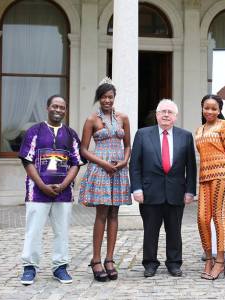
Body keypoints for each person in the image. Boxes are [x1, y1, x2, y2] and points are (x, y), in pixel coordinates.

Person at [18, 95, 83, 285]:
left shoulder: (70, 134)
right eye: (55, 106)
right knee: (34, 230)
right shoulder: (34, 131)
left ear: (65, 110)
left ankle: (60, 267)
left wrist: (63, 185)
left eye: (62, 107)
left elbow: (76, 163)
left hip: (63, 193)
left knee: (61, 231)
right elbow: (27, 160)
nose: (58, 110)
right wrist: (41, 185)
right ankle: (29, 268)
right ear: (47, 108)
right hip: (37, 191)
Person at [129, 99, 197, 278]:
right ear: (157, 115)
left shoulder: (185, 136)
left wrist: (190, 190)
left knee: (174, 231)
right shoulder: (142, 135)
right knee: (150, 231)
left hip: (176, 193)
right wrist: (136, 189)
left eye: (170, 112)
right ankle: (150, 264)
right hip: (150, 192)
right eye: (162, 111)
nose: (166, 115)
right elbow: (135, 165)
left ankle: (174, 263)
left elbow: (191, 166)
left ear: (175, 117)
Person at [78, 80, 132, 281]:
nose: (107, 100)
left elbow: (128, 145)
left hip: (118, 169)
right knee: (101, 213)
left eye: (110, 97)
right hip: (101, 169)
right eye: (103, 97)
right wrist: (103, 163)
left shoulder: (123, 118)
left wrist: (124, 161)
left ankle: (110, 259)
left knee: (114, 213)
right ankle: (97, 259)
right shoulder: (92, 120)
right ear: (99, 98)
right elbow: (83, 149)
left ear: (114, 98)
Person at [195, 94, 225, 280]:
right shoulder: (199, 130)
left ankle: (220, 261)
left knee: (219, 216)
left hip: (221, 175)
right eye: (206, 107)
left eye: (214, 108)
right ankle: (208, 258)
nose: (210, 111)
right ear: (202, 108)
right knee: (202, 218)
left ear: (219, 110)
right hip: (204, 177)